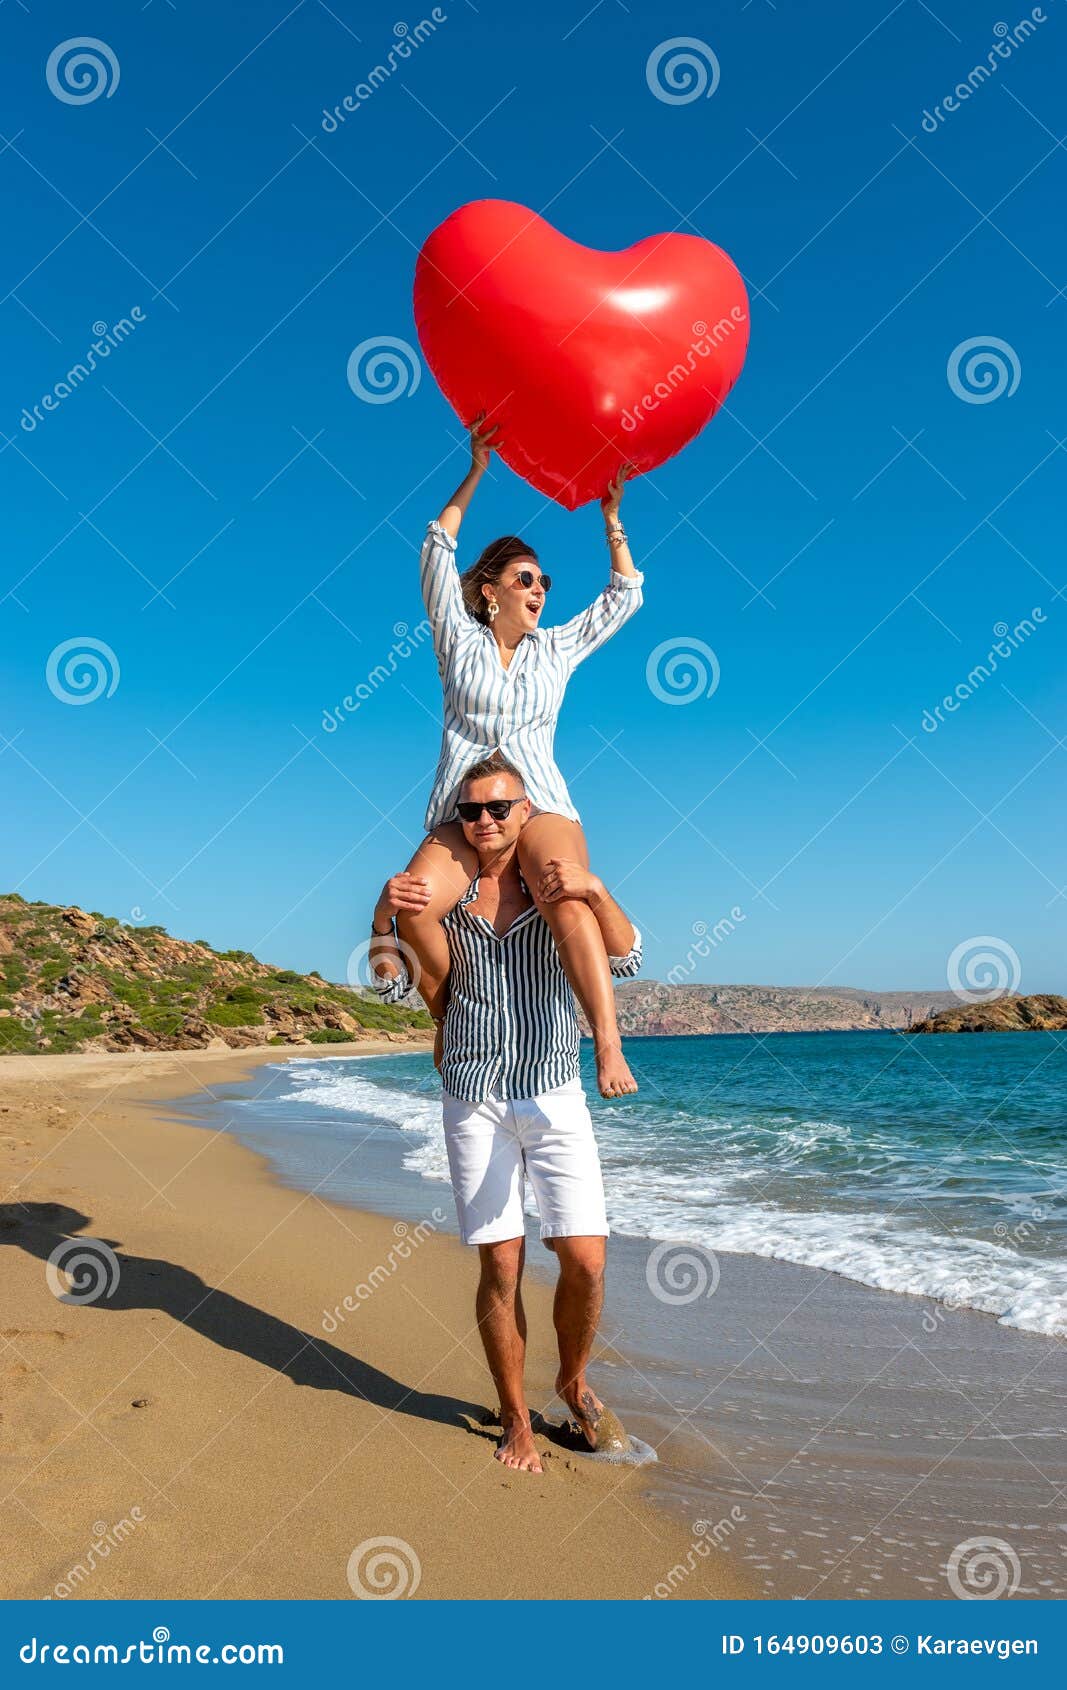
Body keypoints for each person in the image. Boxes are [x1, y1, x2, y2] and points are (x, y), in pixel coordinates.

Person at [369, 753, 642, 1474]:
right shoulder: (444, 901)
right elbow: (387, 969)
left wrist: (596, 887)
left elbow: (627, 958)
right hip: (472, 1093)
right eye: (471, 811)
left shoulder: (557, 894)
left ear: (528, 812)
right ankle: (516, 1417)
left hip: (552, 1089)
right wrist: (384, 923)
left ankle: (573, 1382)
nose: (484, 822)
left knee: (584, 1257)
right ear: (457, 821)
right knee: (502, 1262)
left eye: (498, 808)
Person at [398, 412, 644, 1100]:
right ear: (490, 590)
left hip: (537, 803)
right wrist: (475, 469)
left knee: (563, 888)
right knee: (413, 904)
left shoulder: (557, 648)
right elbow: (434, 547)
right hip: (464, 808)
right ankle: (447, 1021)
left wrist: (611, 518)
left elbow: (624, 597)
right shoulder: (458, 639)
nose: (538, 592)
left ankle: (607, 1043)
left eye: (544, 585)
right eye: (526, 579)